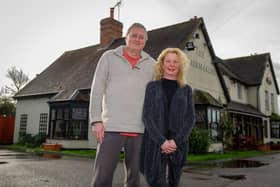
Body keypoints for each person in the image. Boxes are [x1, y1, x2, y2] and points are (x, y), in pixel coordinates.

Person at [89, 23, 155, 187]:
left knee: (134, 180)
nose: (137, 39)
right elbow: (97, 89)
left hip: (140, 130)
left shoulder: (152, 65)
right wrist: (96, 120)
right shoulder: (109, 57)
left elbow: (156, 100)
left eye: (141, 37)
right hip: (111, 128)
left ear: (145, 41)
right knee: (102, 177)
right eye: (134, 35)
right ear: (126, 37)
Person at [140, 48, 195, 187]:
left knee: (174, 182)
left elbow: (190, 118)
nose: (172, 64)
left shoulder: (186, 89)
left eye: (175, 61)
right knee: (156, 182)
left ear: (180, 65)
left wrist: (176, 141)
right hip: (155, 142)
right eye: (168, 61)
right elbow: (147, 116)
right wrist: (162, 141)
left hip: (179, 144)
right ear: (162, 64)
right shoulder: (152, 87)